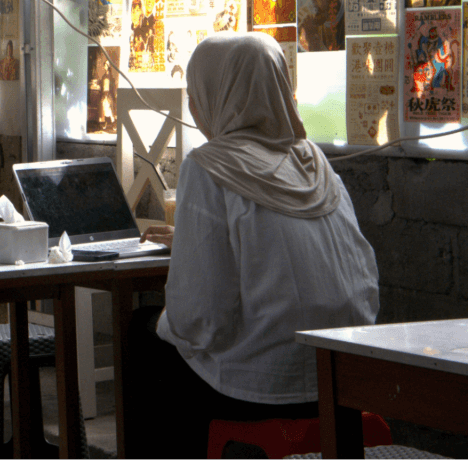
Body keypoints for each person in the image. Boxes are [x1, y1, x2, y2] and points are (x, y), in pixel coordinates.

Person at [128, 32, 379, 459]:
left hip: (259, 390)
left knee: (143, 333)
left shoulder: (208, 168)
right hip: (342, 382)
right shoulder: (316, 164)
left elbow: (199, 318)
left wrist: (172, 309)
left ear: (215, 95)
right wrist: (194, 242)